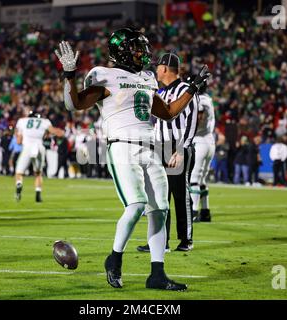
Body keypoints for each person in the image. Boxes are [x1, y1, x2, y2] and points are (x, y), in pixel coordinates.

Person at [56, 28, 210, 291]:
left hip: (150, 147)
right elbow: (74, 104)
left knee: (160, 210)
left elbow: (169, 112)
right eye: (138, 48)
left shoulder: (148, 78)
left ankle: (157, 274)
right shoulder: (105, 75)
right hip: (123, 146)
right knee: (136, 205)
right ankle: (114, 259)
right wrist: (69, 75)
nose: (143, 53)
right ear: (122, 50)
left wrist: (192, 89)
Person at [138, 53, 199, 253]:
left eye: (158, 67)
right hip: (159, 147)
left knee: (180, 194)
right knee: (158, 195)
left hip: (177, 147)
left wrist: (181, 149)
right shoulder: (161, 93)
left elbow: (192, 122)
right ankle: (160, 241)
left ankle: (186, 239)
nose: (156, 70)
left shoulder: (186, 90)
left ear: (165, 69)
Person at [14, 110, 64, 202]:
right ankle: (38, 194)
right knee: (38, 173)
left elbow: (18, 141)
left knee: (19, 173)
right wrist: (62, 132)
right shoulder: (44, 121)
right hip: (39, 147)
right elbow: (56, 132)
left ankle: (19, 183)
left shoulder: (22, 121)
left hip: (27, 147)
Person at [190, 87, 215, 223]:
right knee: (202, 179)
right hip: (210, 140)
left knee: (194, 178)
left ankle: (193, 211)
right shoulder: (208, 99)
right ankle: (205, 211)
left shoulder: (200, 100)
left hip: (200, 141)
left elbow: (198, 118)